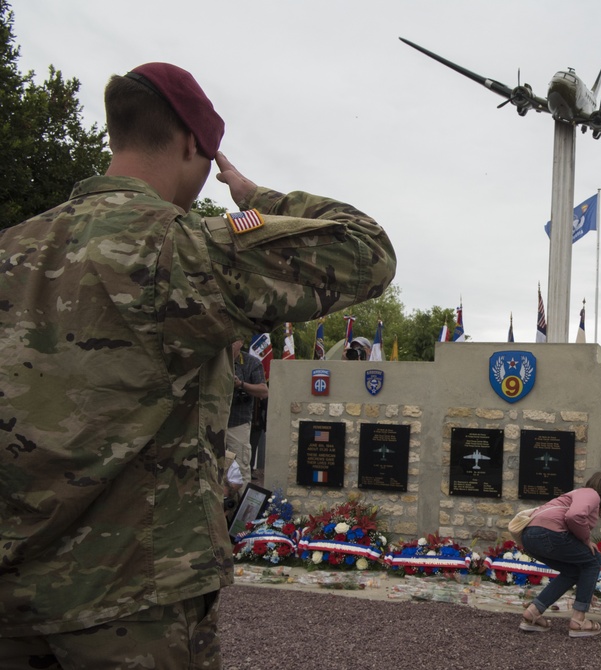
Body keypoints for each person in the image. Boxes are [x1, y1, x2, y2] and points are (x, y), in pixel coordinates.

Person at [0, 62, 396, 665]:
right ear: (192, 141)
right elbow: (366, 249)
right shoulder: (177, 250)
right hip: (131, 603)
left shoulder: (11, 250)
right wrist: (252, 195)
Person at [519, 472, 601, 638]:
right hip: (548, 534)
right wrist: (586, 540)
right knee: (594, 559)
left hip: (529, 537)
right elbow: (574, 516)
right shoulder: (591, 494)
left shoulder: (576, 493)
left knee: (573, 571)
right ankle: (579, 620)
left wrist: (586, 590)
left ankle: (532, 613)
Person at [229, 340, 268, 487]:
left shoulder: (251, 362)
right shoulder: (214, 360)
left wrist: (241, 385)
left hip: (237, 421)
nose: (231, 344)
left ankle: (241, 506)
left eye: (235, 341)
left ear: (241, 342)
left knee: (241, 466)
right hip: (213, 422)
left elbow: (264, 391)